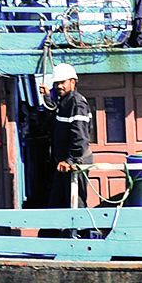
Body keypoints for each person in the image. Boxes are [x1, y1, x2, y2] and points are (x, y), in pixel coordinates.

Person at [46, 62, 94, 208]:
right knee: (58, 203)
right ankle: (60, 231)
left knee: (76, 203)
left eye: (62, 82)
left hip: (75, 163)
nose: (59, 86)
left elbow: (80, 136)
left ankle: (82, 231)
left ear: (72, 82)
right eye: (57, 83)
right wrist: (48, 98)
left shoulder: (77, 103)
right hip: (64, 163)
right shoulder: (65, 102)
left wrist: (71, 160)